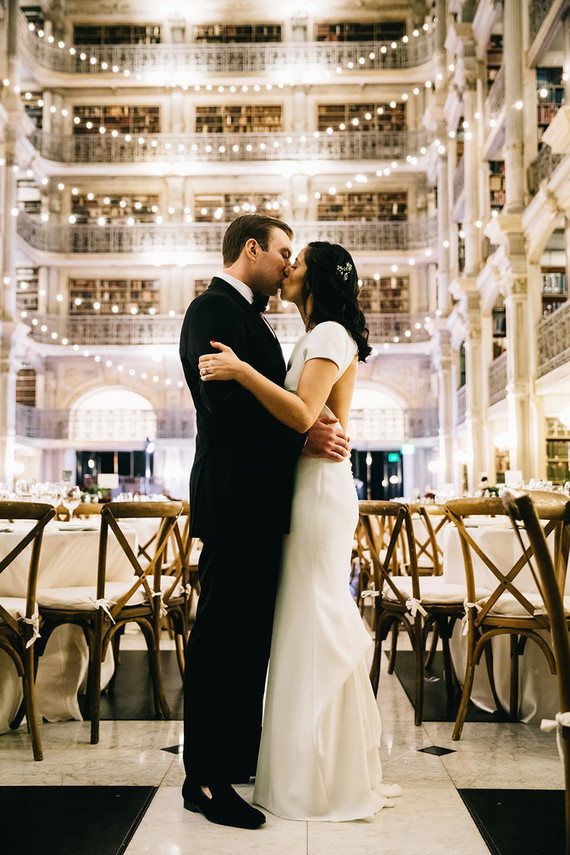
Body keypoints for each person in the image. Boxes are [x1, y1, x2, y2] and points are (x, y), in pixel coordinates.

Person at [200, 241, 401, 821]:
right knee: (301, 618)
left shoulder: (330, 333)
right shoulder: (315, 335)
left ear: (317, 278)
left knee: (312, 616)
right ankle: (311, 766)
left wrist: (239, 370)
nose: (287, 267)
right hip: (307, 486)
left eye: (297, 261)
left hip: (317, 493)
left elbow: (301, 413)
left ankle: (317, 778)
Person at [179, 215, 351, 830]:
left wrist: (298, 438)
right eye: (281, 252)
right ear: (250, 249)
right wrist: (300, 443)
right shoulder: (213, 310)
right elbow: (225, 411)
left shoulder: (247, 315)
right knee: (223, 638)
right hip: (235, 501)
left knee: (247, 638)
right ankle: (203, 778)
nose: (287, 264)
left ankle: (231, 757)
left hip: (257, 503)